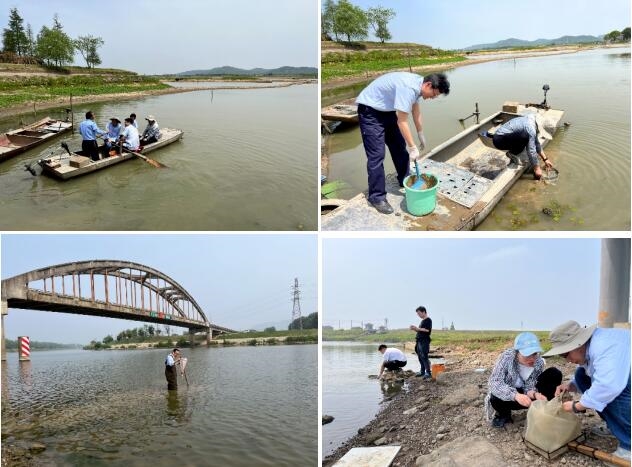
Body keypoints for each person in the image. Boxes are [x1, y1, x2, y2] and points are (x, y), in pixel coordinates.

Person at [355, 72, 450, 214]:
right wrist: (412, 147)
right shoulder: (409, 88)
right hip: (370, 111)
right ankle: (376, 197)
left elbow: (415, 110)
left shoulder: (418, 84)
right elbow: (402, 121)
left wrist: (420, 133)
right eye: (434, 94)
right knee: (377, 155)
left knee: (399, 146)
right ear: (428, 85)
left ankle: (404, 178)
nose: (433, 97)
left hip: (386, 111)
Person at [543, 321, 630, 461]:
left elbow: (609, 386)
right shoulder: (590, 346)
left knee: (616, 395)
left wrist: (576, 406)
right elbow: (593, 373)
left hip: (622, 382)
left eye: (566, 354)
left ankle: (629, 445)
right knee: (580, 375)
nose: (568, 361)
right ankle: (615, 426)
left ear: (578, 344)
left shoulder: (604, 346)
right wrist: (571, 385)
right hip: (617, 378)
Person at [485, 332, 562, 428]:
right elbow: (495, 382)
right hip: (510, 396)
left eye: (534, 354)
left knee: (554, 373)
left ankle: (546, 409)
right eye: (527, 355)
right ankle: (503, 414)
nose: (532, 359)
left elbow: (530, 384)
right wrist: (515, 395)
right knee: (495, 396)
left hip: (526, 394)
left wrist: (535, 394)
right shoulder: (506, 358)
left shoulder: (538, 362)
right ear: (517, 352)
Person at [490, 113, 554, 180]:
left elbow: (536, 143)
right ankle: (512, 153)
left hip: (501, 136)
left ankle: (514, 151)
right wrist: (537, 168)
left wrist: (545, 159)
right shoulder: (531, 129)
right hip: (499, 141)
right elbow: (531, 151)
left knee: (527, 138)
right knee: (526, 138)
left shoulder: (531, 118)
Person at [409, 306, 432, 379]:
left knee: (424, 357)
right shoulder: (422, 321)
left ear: (424, 312)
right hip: (419, 341)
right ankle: (422, 371)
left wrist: (417, 328)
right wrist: (414, 329)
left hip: (424, 341)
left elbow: (427, 330)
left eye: (419, 313)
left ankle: (428, 372)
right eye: (417, 314)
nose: (418, 315)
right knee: (420, 357)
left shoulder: (428, 320)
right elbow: (420, 330)